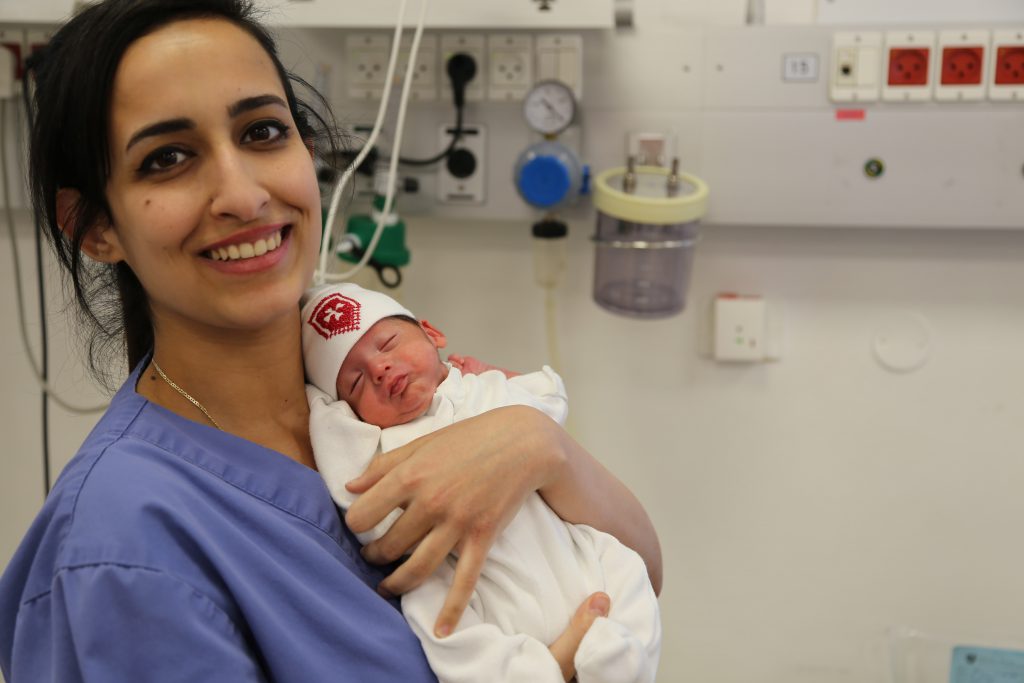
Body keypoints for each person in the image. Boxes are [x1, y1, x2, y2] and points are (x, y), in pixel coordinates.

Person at [0, 1, 663, 682]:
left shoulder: (365, 378)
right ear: (94, 225)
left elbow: (632, 573)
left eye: (262, 131)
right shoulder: (125, 548)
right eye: (168, 158)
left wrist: (540, 445)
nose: (243, 194)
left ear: (308, 152)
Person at [302, 283, 662, 683]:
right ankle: (536, 674)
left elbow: (549, 398)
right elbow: (341, 462)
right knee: (436, 618)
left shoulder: (476, 386)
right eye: (355, 383)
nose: (379, 369)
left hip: (562, 552)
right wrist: (318, 402)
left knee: (626, 567)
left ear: (433, 334)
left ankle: (619, 660)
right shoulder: (378, 444)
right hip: (472, 583)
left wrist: (495, 374)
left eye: (388, 343)